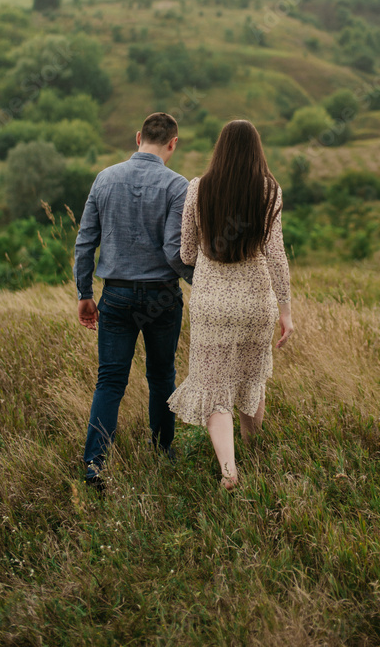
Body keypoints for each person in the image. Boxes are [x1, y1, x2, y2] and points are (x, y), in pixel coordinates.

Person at [168, 119, 294, 489]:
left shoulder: (199, 188)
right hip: (256, 301)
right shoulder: (270, 190)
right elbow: (276, 255)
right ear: (257, 150)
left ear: (219, 149)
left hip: (211, 303)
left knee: (213, 385)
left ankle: (229, 470)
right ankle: (254, 451)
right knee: (251, 378)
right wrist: (286, 311)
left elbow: (186, 252)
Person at [74, 112, 194, 491]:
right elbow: (174, 251)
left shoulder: (104, 178)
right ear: (173, 143)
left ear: (139, 136)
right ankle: (162, 452)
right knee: (161, 377)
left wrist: (84, 293)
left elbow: (84, 242)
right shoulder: (177, 186)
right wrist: (200, 280)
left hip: (117, 294)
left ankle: (95, 465)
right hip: (161, 296)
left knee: (109, 381)